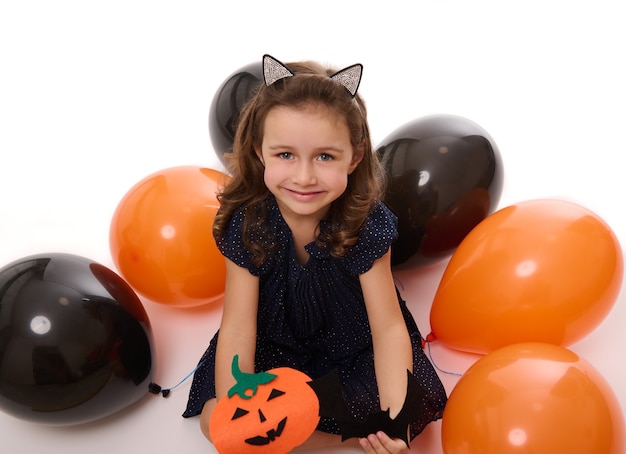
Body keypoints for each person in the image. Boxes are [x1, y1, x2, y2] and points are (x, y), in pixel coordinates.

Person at [183, 54, 447, 453]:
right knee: (213, 418)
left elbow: (388, 329)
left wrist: (396, 421)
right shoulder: (248, 220)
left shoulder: (366, 222)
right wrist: (242, 413)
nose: (304, 177)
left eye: (325, 156)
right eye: (285, 155)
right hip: (274, 346)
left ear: (354, 157)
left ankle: (320, 436)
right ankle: (329, 437)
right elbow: (238, 327)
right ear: (259, 152)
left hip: (351, 348)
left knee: (393, 407)